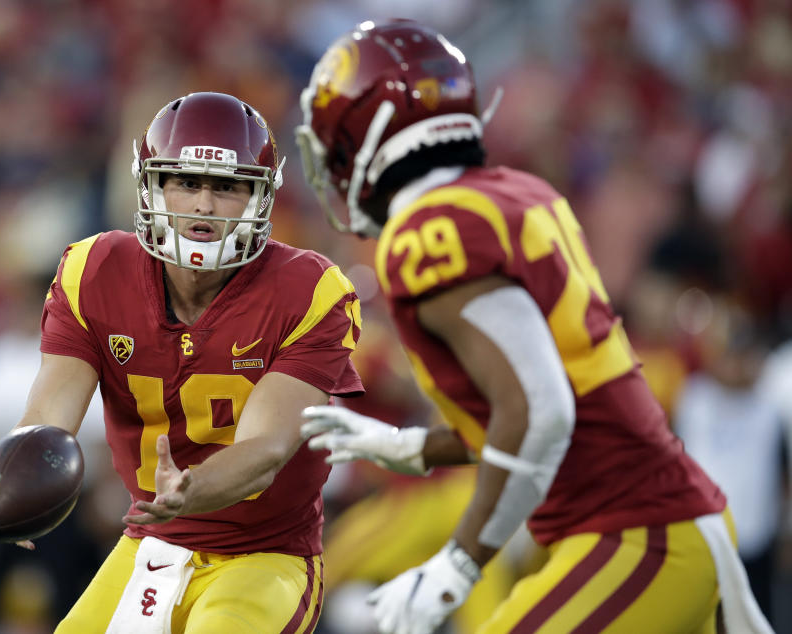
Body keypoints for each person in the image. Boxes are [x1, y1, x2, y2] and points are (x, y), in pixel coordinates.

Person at [295, 19, 772, 634]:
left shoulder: (426, 237)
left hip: (633, 530)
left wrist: (458, 565)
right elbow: (542, 397)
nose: (333, 167)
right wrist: (408, 446)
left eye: (337, 146)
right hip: (660, 518)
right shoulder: (514, 193)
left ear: (374, 136)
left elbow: (542, 412)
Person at [5, 91, 363, 633]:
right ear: (152, 184)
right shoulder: (93, 272)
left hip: (265, 555)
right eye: (187, 182)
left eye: (225, 187)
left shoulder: (309, 290)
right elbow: (52, 412)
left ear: (260, 198)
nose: (202, 205)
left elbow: (265, 450)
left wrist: (188, 490)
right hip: (151, 542)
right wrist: (26, 474)